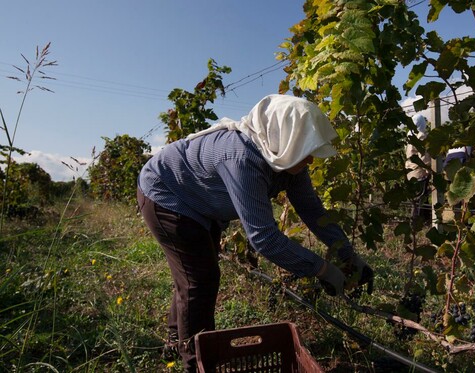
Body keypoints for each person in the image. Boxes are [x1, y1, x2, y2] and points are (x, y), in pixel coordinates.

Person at [136, 94, 373, 371]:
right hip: (166, 195)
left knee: (193, 275)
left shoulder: (286, 158)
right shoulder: (242, 157)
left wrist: (348, 254)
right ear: (285, 139)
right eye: (307, 150)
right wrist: (323, 270)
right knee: (199, 280)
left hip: (199, 204)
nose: (311, 160)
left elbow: (314, 212)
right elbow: (264, 238)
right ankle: (194, 363)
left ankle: (176, 343)